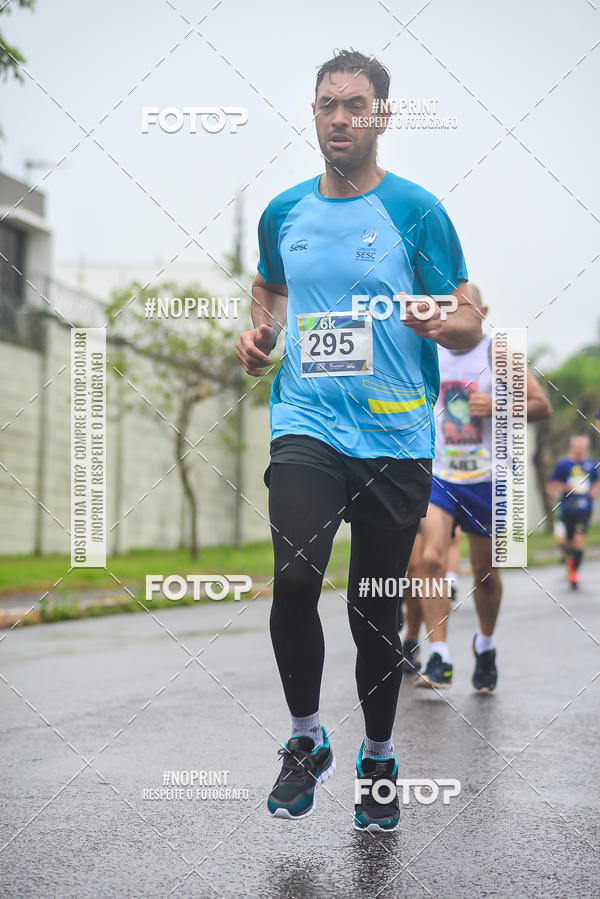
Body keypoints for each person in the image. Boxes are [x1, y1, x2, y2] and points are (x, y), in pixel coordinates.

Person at [236, 50, 481, 832]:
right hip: (305, 420)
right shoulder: (283, 211)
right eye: (325, 105)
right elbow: (270, 282)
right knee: (296, 576)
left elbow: (470, 311)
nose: (338, 117)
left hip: (396, 433)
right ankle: (306, 740)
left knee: (374, 608)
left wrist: (439, 320)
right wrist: (262, 332)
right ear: (313, 114)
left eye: (354, 105)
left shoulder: (417, 210)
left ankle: (378, 754)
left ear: (380, 115)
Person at [411, 287, 551, 692]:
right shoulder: (429, 351)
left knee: (485, 575)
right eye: (448, 308)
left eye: (465, 308)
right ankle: (439, 657)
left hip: (488, 479)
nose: (455, 316)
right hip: (440, 474)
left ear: (482, 313)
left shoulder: (497, 354)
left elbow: (542, 406)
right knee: (432, 559)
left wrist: (499, 406)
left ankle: (485, 645)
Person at [547, 436, 598, 587]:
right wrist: (563, 488)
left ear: (586, 448)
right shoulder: (564, 464)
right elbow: (552, 483)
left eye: (582, 446)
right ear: (572, 447)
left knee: (579, 538)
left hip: (584, 508)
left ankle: (574, 573)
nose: (579, 449)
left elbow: (596, 480)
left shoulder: (591, 464)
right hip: (566, 508)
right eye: (577, 446)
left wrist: (594, 491)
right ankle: (570, 562)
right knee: (566, 542)